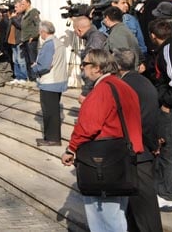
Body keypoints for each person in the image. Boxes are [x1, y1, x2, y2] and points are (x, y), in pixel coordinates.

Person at [61, 49, 143, 232]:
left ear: (97, 68)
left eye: (85, 64)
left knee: (104, 219)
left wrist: (71, 149)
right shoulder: (123, 86)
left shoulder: (102, 90)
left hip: (103, 161)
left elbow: (87, 126)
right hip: (122, 157)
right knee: (117, 215)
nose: (83, 68)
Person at [114, 48, 163, 231]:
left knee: (144, 205)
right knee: (138, 204)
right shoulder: (145, 83)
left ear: (118, 65)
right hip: (145, 146)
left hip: (138, 150)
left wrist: (151, 144)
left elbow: (139, 120)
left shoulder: (125, 86)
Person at [148, 19, 172, 210]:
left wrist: (167, 102)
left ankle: (166, 194)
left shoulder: (168, 50)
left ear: (153, 36)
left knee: (168, 149)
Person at [30, 21, 67, 146]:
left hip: (50, 82)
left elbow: (44, 65)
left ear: (42, 32)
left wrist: (35, 67)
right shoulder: (58, 42)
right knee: (53, 110)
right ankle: (52, 137)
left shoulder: (48, 44)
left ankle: (52, 139)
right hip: (58, 80)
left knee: (49, 112)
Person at [73, 16, 107, 101]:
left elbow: (93, 68)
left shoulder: (95, 39)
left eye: (75, 31)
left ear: (79, 30)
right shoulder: (94, 37)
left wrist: (86, 92)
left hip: (98, 85)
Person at [15, 0, 41, 81]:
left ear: (28, 4)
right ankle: (30, 77)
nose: (21, 6)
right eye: (21, 4)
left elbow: (38, 24)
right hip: (25, 40)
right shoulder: (25, 13)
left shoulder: (33, 12)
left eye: (23, 4)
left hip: (31, 40)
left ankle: (35, 77)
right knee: (27, 59)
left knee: (32, 59)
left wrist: (33, 36)